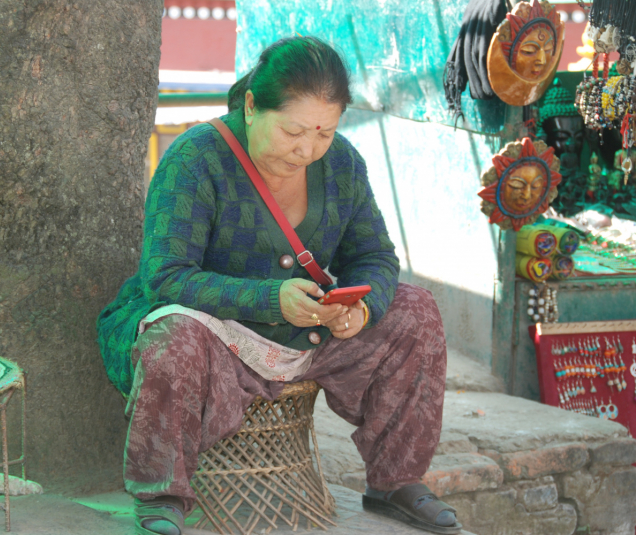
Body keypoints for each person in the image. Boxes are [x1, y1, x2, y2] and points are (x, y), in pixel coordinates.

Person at [97, 36, 461, 535]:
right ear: (251, 106)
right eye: (292, 131)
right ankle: (162, 495)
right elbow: (165, 276)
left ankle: (396, 482)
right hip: (215, 335)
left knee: (414, 309)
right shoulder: (195, 159)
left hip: (306, 333)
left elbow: (374, 255)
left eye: (325, 134)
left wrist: (360, 310)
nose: (307, 150)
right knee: (171, 339)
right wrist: (270, 299)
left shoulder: (343, 165)